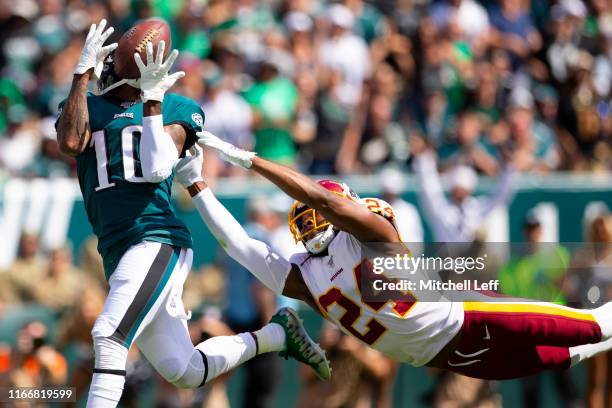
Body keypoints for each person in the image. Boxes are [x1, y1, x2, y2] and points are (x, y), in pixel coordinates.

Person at [173, 130, 612, 382]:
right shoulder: (341, 249)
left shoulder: (315, 274)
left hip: (448, 337)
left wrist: (200, 186)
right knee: (580, 343)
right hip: (452, 339)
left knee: (592, 330)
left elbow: (240, 247)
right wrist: (247, 162)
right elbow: (254, 240)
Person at [55, 19, 329, 407]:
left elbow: (156, 168)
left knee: (109, 335)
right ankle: (277, 335)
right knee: (185, 370)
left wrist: (152, 102)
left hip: (154, 240)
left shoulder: (178, 108)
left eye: (116, 59)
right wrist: (80, 74)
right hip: (117, 248)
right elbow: (69, 141)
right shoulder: (87, 105)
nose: (109, 64)